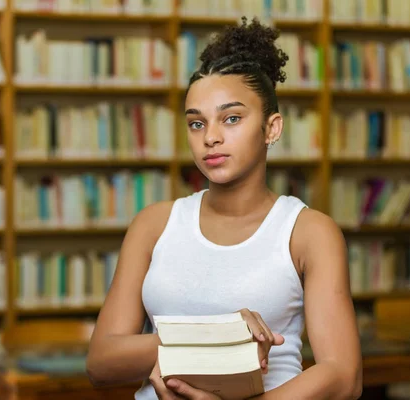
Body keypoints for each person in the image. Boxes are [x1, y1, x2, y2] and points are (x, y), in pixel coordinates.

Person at [86, 16, 363, 400]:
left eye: (231, 118)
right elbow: (101, 361)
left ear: (272, 128)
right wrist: (221, 337)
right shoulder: (154, 224)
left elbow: (343, 376)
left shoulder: (308, 231)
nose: (211, 138)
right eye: (196, 124)